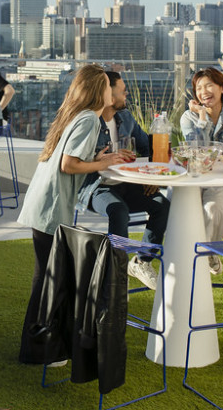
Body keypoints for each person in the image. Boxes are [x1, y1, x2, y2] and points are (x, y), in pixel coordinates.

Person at [17, 64, 134, 364]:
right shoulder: (88, 120)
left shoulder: (79, 115)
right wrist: (101, 165)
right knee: (49, 279)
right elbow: (68, 165)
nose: (114, 91)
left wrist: (98, 158)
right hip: (51, 208)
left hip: (44, 203)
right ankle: (39, 350)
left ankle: (39, 348)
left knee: (47, 277)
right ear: (100, 91)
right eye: (109, 86)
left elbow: (70, 158)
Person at [78, 71, 170, 290]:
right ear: (107, 93)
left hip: (126, 184)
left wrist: (150, 176)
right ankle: (115, 277)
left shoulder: (125, 117)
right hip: (96, 187)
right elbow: (76, 158)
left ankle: (141, 261)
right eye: (122, 90)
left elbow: (146, 147)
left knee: (162, 205)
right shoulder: (89, 120)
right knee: (118, 210)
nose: (126, 93)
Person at [180, 67, 223, 274]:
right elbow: (195, 152)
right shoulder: (188, 118)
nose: (204, 91)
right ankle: (205, 253)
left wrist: (210, 155)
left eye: (209, 85)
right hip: (196, 181)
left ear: (221, 88)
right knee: (178, 205)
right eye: (199, 88)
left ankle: (201, 254)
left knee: (212, 209)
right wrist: (202, 119)